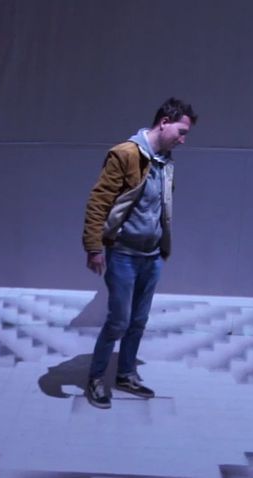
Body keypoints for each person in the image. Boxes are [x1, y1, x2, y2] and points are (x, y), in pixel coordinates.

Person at [80, 97, 197, 409]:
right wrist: (94, 246)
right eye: (181, 132)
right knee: (119, 321)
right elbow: (99, 201)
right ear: (164, 122)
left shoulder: (166, 161)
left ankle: (126, 374)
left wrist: (161, 247)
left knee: (139, 320)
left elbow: (161, 207)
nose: (183, 140)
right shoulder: (125, 154)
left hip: (152, 256)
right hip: (123, 254)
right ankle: (96, 377)